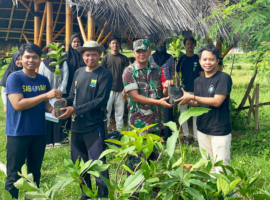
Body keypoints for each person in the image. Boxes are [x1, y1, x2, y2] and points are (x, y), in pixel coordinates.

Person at [4, 42, 62, 198]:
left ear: (40, 59)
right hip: (18, 133)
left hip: (38, 132)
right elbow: (18, 104)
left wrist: (53, 110)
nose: (31, 60)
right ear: (21, 58)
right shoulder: (14, 78)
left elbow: (45, 104)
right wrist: (45, 95)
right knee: (14, 176)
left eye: (34, 57)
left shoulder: (43, 80)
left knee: (34, 173)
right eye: (27, 57)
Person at [58, 40, 112, 199]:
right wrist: (62, 102)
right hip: (76, 126)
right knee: (80, 166)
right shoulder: (78, 72)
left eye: (94, 55)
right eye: (87, 55)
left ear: (99, 55)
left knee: (99, 165)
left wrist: (75, 109)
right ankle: (85, 194)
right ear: (82, 56)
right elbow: (73, 96)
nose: (90, 58)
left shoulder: (104, 74)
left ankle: (103, 195)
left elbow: (100, 100)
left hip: (94, 126)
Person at [176, 45, 232, 173]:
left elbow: (217, 101)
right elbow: (199, 104)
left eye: (211, 59)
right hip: (202, 129)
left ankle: (226, 193)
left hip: (219, 130)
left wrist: (193, 96)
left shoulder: (223, 78)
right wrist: (186, 100)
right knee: (209, 166)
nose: (208, 63)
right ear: (200, 61)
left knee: (221, 169)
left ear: (217, 61)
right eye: (204, 59)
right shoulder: (198, 81)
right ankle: (213, 192)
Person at [123, 39, 173, 136]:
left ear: (150, 51)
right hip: (139, 124)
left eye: (144, 51)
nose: (141, 54)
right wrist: (158, 102)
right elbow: (135, 97)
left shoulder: (157, 69)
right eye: (138, 51)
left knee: (156, 151)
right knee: (140, 151)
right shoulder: (129, 72)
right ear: (134, 53)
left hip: (156, 122)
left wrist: (166, 88)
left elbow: (163, 94)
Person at [39, 44, 69, 148]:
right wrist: (47, 94)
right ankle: (48, 141)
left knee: (58, 115)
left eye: (54, 50)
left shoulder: (63, 62)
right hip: (47, 94)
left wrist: (59, 92)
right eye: (50, 50)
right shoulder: (44, 63)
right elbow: (41, 77)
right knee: (48, 117)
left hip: (59, 94)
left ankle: (58, 140)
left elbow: (65, 77)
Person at [176, 37, 204, 144]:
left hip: (196, 91)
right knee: (184, 114)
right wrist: (178, 88)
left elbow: (202, 75)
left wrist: (201, 88)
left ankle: (196, 136)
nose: (189, 45)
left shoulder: (198, 59)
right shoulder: (181, 60)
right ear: (185, 45)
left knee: (195, 114)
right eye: (187, 44)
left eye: (191, 44)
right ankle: (186, 135)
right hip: (184, 91)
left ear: (194, 45)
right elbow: (177, 74)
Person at [101, 36, 129, 132]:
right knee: (106, 112)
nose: (115, 45)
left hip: (121, 89)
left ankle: (119, 132)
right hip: (108, 90)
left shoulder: (124, 59)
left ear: (120, 45)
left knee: (120, 113)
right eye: (113, 43)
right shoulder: (105, 58)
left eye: (117, 43)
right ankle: (106, 131)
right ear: (109, 45)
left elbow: (127, 75)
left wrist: (125, 89)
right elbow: (102, 75)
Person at [149, 40, 174, 138]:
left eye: (162, 44)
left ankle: (167, 134)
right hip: (154, 86)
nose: (160, 46)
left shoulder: (170, 58)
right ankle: (157, 134)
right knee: (155, 110)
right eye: (158, 44)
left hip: (167, 86)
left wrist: (168, 81)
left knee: (166, 109)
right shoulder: (151, 57)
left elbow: (171, 71)